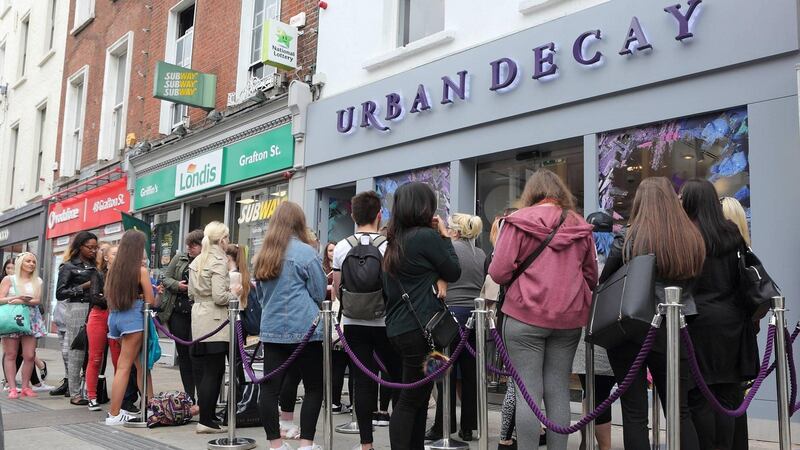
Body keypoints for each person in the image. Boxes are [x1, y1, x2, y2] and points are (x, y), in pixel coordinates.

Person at [488, 170, 597, 450]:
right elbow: (592, 277)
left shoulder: (518, 221)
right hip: (568, 319)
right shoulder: (579, 225)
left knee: (527, 392)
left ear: (532, 193)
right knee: (558, 389)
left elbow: (498, 273)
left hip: (523, 316)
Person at [602, 177, 705, 450]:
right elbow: (696, 282)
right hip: (675, 327)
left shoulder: (628, 236)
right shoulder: (691, 237)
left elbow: (606, 280)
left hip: (631, 328)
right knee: (679, 411)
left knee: (634, 412)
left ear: (640, 202)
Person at [680, 179, 759, 450]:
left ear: (691, 202)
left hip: (696, 323)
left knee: (700, 398)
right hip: (732, 322)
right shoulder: (731, 232)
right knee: (728, 396)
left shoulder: (685, 236)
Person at [382, 182, 461, 450]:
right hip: (423, 331)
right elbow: (454, 270)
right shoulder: (425, 237)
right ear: (424, 207)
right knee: (411, 399)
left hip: (401, 329)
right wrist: (445, 236)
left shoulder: (395, 241)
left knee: (419, 395)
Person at [253, 201, 326, 450]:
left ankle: (276, 444)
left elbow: (260, 296)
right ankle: (306, 444)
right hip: (306, 330)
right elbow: (319, 292)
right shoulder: (306, 253)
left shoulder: (263, 255)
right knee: (314, 387)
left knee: (269, 389)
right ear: (299, 223)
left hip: (272, 330)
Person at [332, 190, 401, 449]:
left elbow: (337, 288)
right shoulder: (388, 245)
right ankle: (399, 440)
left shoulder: (342, 247)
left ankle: (366, 444)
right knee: (396, 378)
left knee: (362, 381)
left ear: (353, 215)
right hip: (386, 321)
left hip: (353, 322)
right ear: (379, 215)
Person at [427, 213, 485, 442]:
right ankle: (468, 426)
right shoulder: (480, 253)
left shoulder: (449, 249)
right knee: (471, 374)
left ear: (456, 231)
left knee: (443, 372)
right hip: (475, 316)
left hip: (450, 314)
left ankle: (443, 424)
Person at [188, 222, 241, 434]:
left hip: (199, 317)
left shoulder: (198, 260)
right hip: (216, 320)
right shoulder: (218, 260)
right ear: (221, 240)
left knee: (207, 371)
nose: (228, 241)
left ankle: (208, 416)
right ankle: (206, 420)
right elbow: (220, 297)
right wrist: (234, 293)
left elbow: (191, 293)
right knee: (214, 371)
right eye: (226, 237)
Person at [572, 211, 616, 450]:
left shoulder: (581, 256)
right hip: (614, 330)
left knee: (591, 392)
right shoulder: (620, 255)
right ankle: (590, 442)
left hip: (584, 329)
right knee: (599, 392)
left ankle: (595, 444)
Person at [104, 230, 156, 425]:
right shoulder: (140, 270)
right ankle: (114, 414)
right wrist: (143, 295)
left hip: (116, 318)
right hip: (133, 319)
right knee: (125, 366)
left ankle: (151, 406)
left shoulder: (113, 270)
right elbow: (151, 301)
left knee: (140, 365)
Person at [56, 231, 101, 406]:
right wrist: (84, 286)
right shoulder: (68, 266)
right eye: (90, 247)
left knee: (94, 352)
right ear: (80, 246)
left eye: (95, 247)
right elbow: (60, 293)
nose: (93, 251)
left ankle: (91, 391)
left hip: (97, 307)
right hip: (77, 308)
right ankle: (74, 392)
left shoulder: (96, 266)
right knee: (77, 350)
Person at [159, 230, 204, 403]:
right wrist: (178, 285)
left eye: (194, 245)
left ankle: (203, 398)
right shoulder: (180, 258)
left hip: (199, 315)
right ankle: (189, 396)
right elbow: (165, 278)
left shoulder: (207, 260)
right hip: (178, 312)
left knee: (196, 356)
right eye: (188, 245)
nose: (190, 248)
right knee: (183, 355)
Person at [0, 253, 46, 398]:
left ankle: (26, 387)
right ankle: (12, 388)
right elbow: (0, 299)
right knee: (11, 354)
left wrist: (21, 301)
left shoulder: (37, 280)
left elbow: (37, 300)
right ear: (20, 262)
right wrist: (15, 297)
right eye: (28, 261)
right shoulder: (9, 279)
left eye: (34, 261)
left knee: (29, 355)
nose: (31, 264)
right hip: (12, 318)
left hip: (31, 319)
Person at [84, 246, 121, 410]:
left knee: (118, 360)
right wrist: (114, 298)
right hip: (99, 316)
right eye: (114, 253)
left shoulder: (124, 275)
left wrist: (105, 297)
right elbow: (94, 298)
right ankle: (91, 396)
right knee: (95, 358)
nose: (118, 256)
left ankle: (119, 398)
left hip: (117, 316)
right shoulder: (98, 274)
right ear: (106, 257)